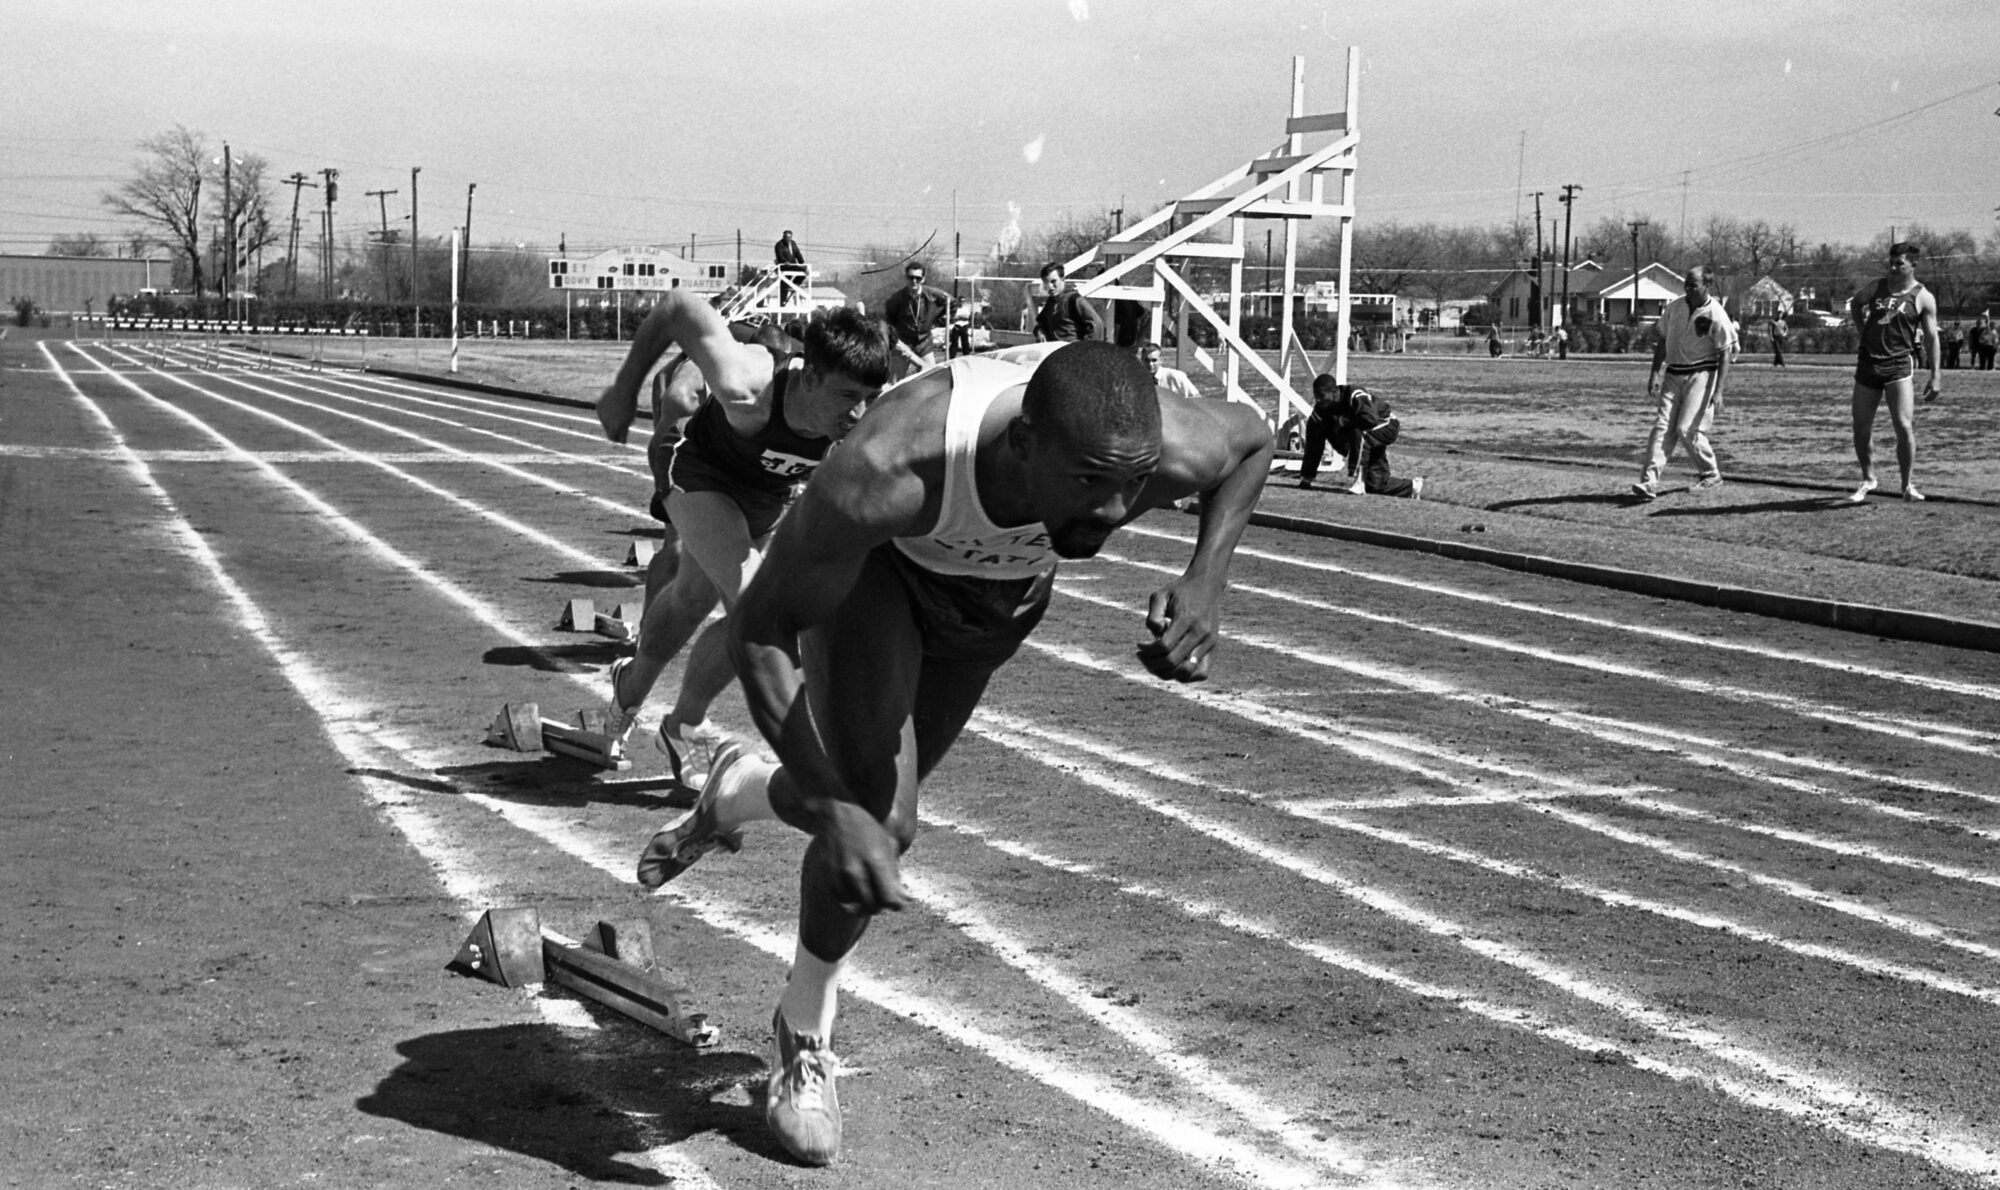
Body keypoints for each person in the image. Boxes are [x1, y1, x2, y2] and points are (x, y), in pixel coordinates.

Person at [634, 339, 1274, 1165]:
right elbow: (761, 626)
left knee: (869, 815)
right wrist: (834, 808)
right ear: (1022, 444)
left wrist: (1207, 577)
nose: (1117, 512)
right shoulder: (892, 464)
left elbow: (1254, 440)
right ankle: (804, 1031)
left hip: (999, 603)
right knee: (876, 818)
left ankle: (743, 791)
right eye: (1088, 482)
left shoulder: (1154, 446)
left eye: (1133, 484)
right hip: (881, 576)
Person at [594, 295, 892, 781]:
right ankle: (685, 724)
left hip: (764, 491)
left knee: (693, 597)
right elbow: (675, 308)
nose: (859, 414)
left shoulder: (868, 413)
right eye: (846, 398)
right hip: (698, 470)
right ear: (810, 378)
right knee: (760, 606)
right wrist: (625, 389)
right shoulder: (749, 383)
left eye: (869, 398)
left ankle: (628, 688)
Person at [1845, 242, 1942, 502]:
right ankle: (1868, 478)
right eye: (1891, 262)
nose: (1894, 267)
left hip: (1898, 366)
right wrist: (1861, 330)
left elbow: (1932, 338)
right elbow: (1856, 304)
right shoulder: (1876, 287)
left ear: (1913, 264)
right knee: (1861, 427)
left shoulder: (1922, 296)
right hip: (1868, 364)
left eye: (1900, 263)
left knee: (1903, 425)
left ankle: (1906, 484)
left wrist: (1936, 375)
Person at [1631, 266, 1737, 501]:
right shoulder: (1675, 307)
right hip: (1673, 373)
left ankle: (1710, 473)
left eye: (1694, 285)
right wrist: (1655, 373)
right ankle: (1649, 481)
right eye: (1686, 284)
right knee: (1662, 427)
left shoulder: (1716, 313)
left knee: (1687, 428)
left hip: (1702, 374)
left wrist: (1719, 391)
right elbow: (1662, 341)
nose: (1688, 289)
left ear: (1706, 285)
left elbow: (1725, 353)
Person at [1297, 373, 1421, 498]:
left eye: (1321, 396)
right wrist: (1307, 478)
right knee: (1375, 484)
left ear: (1334, 391)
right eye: (1316, 396)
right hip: (1364, 437)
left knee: (1360, 432)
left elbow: (1370, 419)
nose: (1318, 400)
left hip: (1386, 424)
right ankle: (1413, 487)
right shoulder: (1320, 411)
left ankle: (1359, 482)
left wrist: (1346, 423)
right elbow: (1314, 444)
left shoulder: (1354, 394)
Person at [881, 262, 952, 378]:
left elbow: (951, 302)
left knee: (931, 376)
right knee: (894, 380)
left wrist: (937, 321)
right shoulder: (896, 298)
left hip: (924, 343)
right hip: (904, 342)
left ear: (923, 279)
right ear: (906, 278)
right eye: (910, 277)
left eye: (918, 278)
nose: (914, 281)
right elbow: (889, 318)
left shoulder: (933, 294)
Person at [1032, 262, 1101, 342]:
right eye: (1046, 283)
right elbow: (1041, 322)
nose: (1050, 287)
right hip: (1054, 350)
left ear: (1063, 279)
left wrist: (1087, 348)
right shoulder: (1051, 302)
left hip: (1072, 350)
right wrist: (1039, 331)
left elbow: (1097, 324)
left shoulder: (1074, 300)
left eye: (1053, 281)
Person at [1136, 341, 1200, 400]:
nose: (1150, 364)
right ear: (1141, 360)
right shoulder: (1139, 381)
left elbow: (1197, 398)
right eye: (1146, 360)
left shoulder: (1175, 376)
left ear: (1161, 360)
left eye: (1154, 360)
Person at [774, 230, 808, 306]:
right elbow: (779, 256)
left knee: (803, 271)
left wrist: (802, 262)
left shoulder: (793, 243)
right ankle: (782, 302)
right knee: (784, 284)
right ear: (783, 237)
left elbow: (798, 254)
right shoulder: (779, 245)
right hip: (784, 266)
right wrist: (785, 262)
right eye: (786, 237)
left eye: (789, 237)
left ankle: (794, 284)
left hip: (792, 265)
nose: (788, 239)